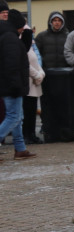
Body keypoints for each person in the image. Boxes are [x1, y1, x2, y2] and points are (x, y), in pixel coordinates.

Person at [0, 10, 37, 160]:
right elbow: (12, 64)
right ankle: (20, 148)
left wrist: (27, 35)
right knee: (13, 117)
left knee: (17, 117)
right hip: (12, 84)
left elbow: (21, 51)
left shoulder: (10, 37)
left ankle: (20, 148)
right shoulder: (10, 39)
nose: (24, 28)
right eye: (23, 25)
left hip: (9, 83)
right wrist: (16, 85)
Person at [21, 27, 44, 144]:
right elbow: (25, 65)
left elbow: (37, 62)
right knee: (27, 111)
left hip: (35, 83)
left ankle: (32, 134)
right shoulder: (22, 48)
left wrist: (41, 74)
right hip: (28, 83)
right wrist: (37, 75)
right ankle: (27, 135)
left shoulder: (31, 48)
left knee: (32, 110)